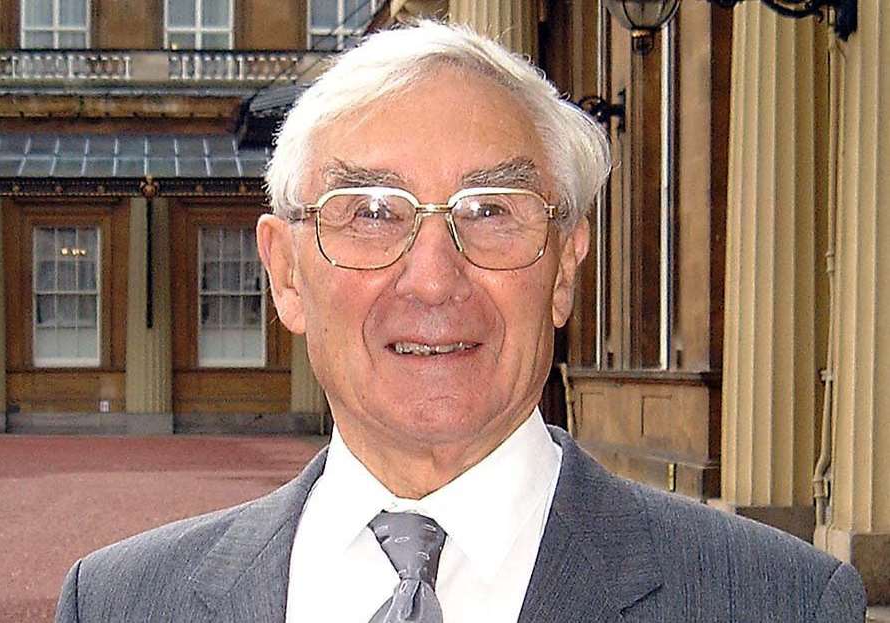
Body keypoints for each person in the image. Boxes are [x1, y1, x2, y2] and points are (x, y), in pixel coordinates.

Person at [55, 20, 866, 623]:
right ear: (286, 272)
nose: (434, 279)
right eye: (369, 211)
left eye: (489, 210)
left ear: (564, 265)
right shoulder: (119, 602)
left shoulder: (778, 600)